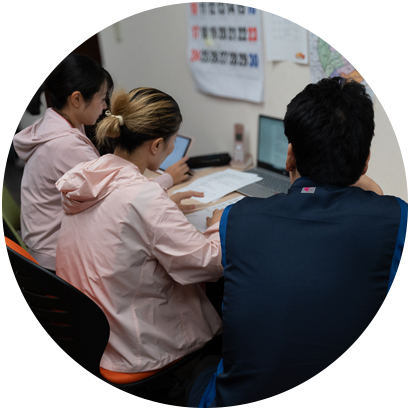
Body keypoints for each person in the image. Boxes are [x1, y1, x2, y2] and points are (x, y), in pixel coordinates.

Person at [187, 77, 407, 407]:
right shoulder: (396, 219)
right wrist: (372, 191)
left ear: (289, 156)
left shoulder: (238, 218)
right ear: (365, 162)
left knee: (205, 363)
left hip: (239, 398)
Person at [55, 87, 224, 383]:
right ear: (157, 145)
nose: (173, 147)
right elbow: (208, 264)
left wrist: (159, 195)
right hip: (134, 348)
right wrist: (219, 225)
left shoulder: (87, 175)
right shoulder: (144, 200)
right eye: (173, 140)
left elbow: (120, 199)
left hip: (86, 330)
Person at [13, 54, 189, 271]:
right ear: (77, 99)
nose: (106, 107)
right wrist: (167, 180)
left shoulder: (54, 124)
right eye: (103, 98)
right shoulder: (67, 146)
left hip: (41, 243)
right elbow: (119, 200)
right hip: (54, 257)